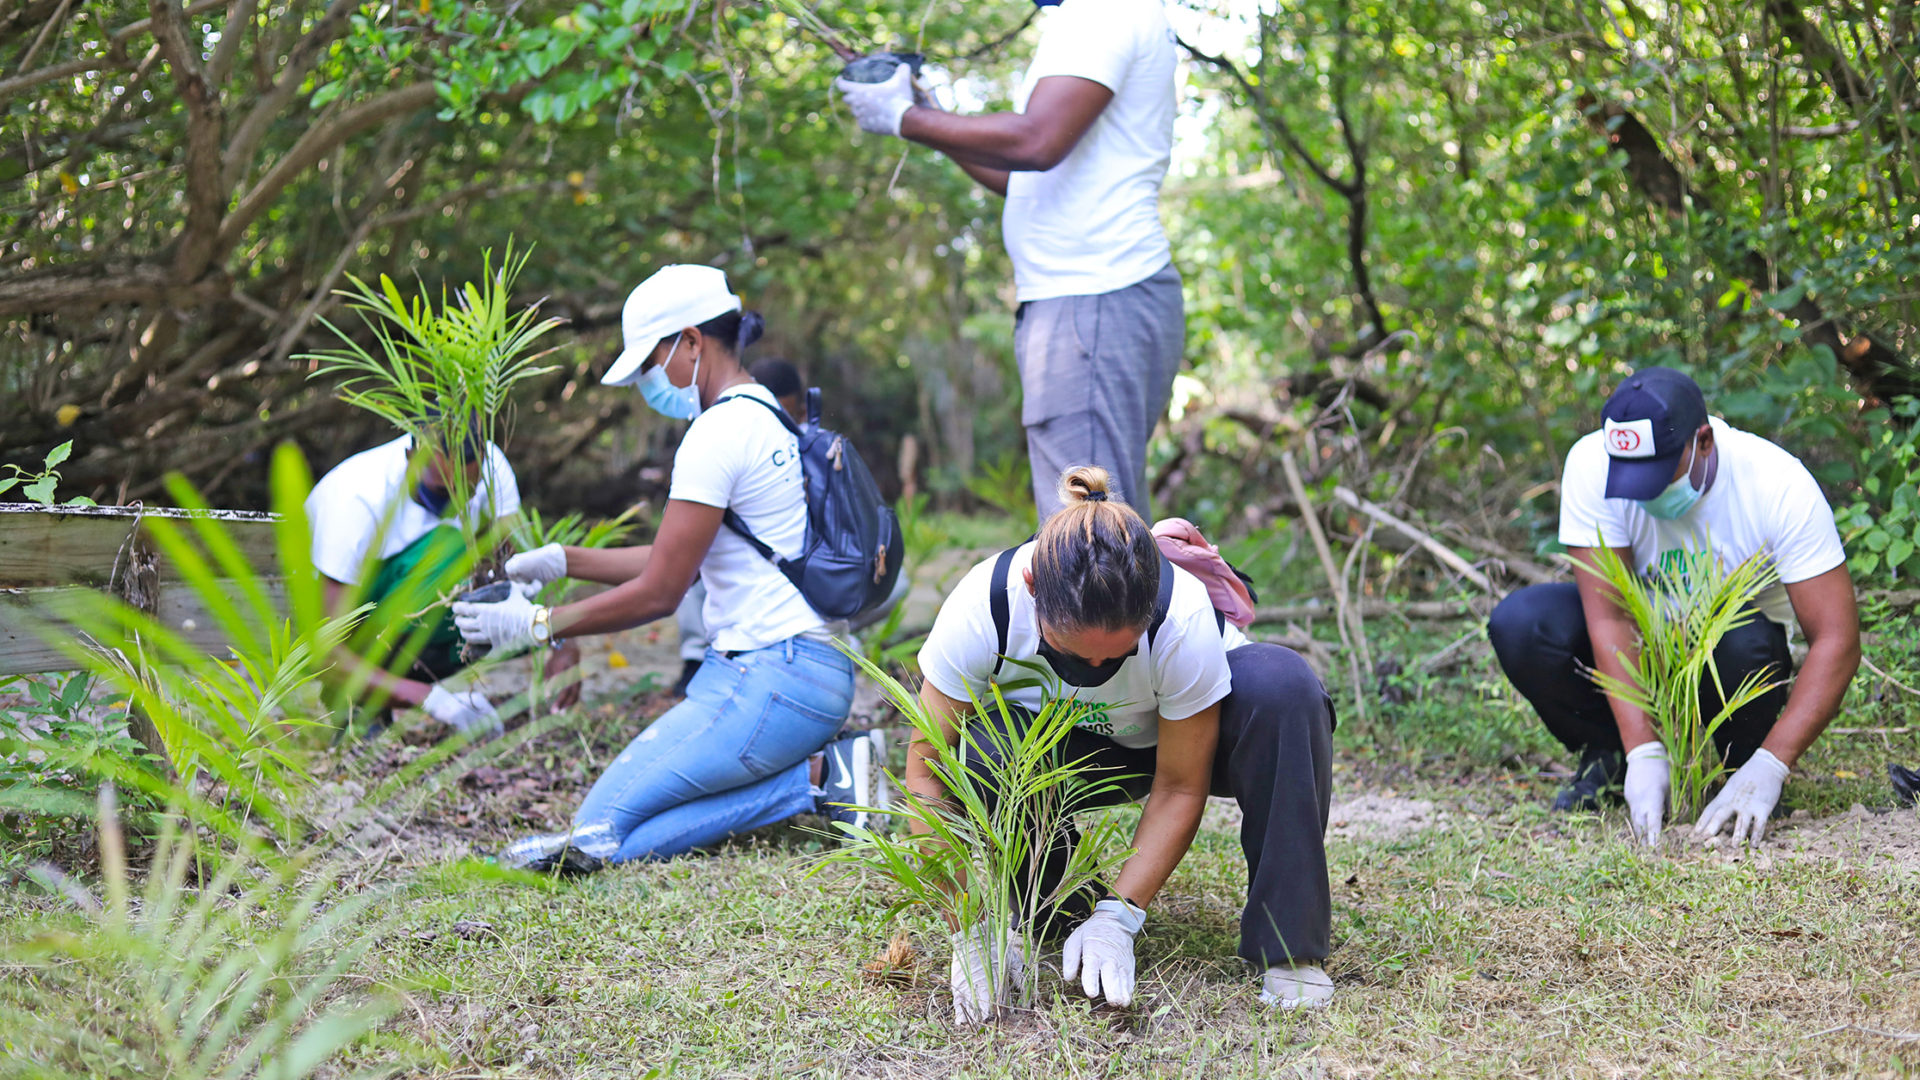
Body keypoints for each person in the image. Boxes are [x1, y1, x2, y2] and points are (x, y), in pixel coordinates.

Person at [451, 265, 887, 872]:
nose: (647, 384)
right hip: (798, 674)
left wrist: (536, 625)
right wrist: (562, 560)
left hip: (770, 680)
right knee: (606, 843)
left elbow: (662, 589)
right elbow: (677, 556)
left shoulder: (718, 431)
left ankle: (818, 778)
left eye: (649, 365)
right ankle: (822, 777)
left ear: (690, 342)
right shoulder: (763, 412)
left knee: (597, 831)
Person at [913, 465, 1337, 1017]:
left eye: (1116, 653)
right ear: (1034, 588)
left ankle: (1289, 952)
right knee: (979, 752)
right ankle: (1057, 906)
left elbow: (1181, 786)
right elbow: (925, 769)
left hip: (1187, 737)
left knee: (1283, 687)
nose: (1096, 666)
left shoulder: (1178, 614)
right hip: (1067, 747)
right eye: (1075, 651)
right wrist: (970, 923)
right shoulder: (983, 606)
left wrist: (1123, 917)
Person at [835, 0, 1182, 518]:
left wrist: (904, 118)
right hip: (1096, 303)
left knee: (1088, 544)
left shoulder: (1101, 10)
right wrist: (923, 110)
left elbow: (1036, 141)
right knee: (1107, 533)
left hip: (1090, 303)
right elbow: (1025, 175)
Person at [1488, 367, 1860, 847]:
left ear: (1703, 441)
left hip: (1730, 655)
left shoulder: (1777, 486)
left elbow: (1837, 640)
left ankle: (1742, 765)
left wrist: (1773, 763)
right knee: (1523, 624)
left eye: (1658, 475)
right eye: (1632, 480)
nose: (1644, 494)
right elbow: (1610, 614)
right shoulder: (1590, 464)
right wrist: (1642, 747)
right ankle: (1612, 755)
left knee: (1744, 642)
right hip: (1646, 642)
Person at [306, 422, 580, 737]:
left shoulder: (491, 467)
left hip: (410, 617)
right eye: (441, 489)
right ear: (411, 457)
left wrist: (562, 636)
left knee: (484, 579)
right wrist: (433, 700)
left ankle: (388, 690)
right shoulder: (356, 500)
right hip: (333, 621)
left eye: (467, 488)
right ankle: (357, 706)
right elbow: (325, 650)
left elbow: (521, 568)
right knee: (447, 548)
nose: (456, 502)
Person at [668, 356, 813, 697]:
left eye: (794, 410)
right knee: (694, 560)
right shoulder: (734, 435)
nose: (793, 418)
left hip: (800, 592)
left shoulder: (807, 443)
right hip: (742, 579)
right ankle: (693, 656)